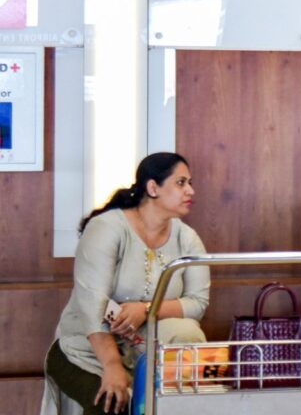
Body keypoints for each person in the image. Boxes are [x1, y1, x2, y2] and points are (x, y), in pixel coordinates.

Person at [42, 152, 210, 415]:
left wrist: (145, 309)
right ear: (153, 187)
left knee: (187, 334)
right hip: (85, 350)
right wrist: (111, 365)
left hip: (146, 350)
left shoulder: (187, 238)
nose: (191, 190)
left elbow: (197, 303)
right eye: (181, 182)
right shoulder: (107, 228)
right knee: (112, 403)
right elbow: (92, 306)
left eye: (190, 182)